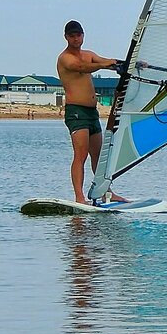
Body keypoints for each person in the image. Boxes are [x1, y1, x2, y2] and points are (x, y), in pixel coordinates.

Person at [56, 19, 129, 206]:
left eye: (78, 35)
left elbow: (106, 61)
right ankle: (80, 197)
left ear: (83, 35)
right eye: (71, 36)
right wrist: (108, 65)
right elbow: (83, 68)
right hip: (76, 112)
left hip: (91, 113)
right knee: (80, 155)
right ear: (66, 37)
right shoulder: (65, 58)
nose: (75, 38)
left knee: (98, 155)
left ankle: (106, 192)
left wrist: (129, 64)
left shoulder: (88, 55)